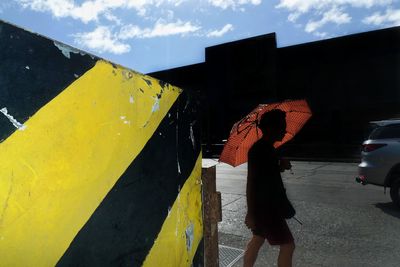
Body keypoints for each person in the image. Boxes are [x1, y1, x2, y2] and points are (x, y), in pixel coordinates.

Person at [243, 109, 296, 267]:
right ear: (271, 128)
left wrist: (280, 165)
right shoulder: (262, 150)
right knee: (288, 245)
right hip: (268, 209)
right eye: (282, 126)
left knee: (258, 239)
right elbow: (252, 182)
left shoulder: (265, 149)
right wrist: (250, 213)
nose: (285, 130)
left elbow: (266, 175)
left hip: (264, 208)